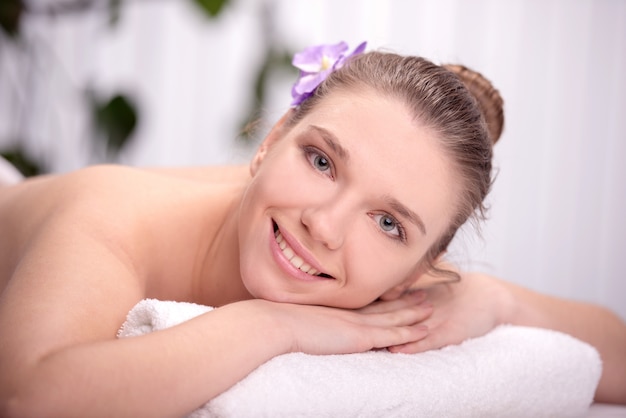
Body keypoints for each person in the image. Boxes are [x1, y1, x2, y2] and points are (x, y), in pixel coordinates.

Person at [0, 41, 624, 417]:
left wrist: (496, 298)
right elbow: (32, 398)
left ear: (423, 268)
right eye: (322, 161)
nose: (323, 225)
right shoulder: (114, 214)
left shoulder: (404, 284)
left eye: (387, 223)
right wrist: (275, 326)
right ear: (273, 140)